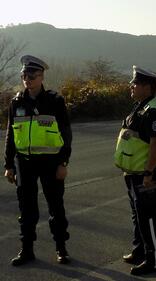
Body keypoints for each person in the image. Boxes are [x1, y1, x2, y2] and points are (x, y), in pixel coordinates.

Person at [4, 55, 72, 266]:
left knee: (56, 207)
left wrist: (63, 163)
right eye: (24, 75)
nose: (27, 79)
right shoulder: (16, 102)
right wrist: (8, 165)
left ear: (42, 76)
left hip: (50, 162)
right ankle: (27, 250)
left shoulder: (55, 101)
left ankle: (61, 248)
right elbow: (10, 135)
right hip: (24, 163)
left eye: (32, 75)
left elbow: (66, 134)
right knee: (26, 209)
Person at [114, 65, 156, 275]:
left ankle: (154, 260)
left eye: (135, 83)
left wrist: (149, 172)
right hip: (134, 173)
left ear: (147, 87)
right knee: (138, 216)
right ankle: (140, 252)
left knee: (149, 217)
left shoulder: (153, 110)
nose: (131, 86)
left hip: (147, 174)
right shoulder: (141, 106)